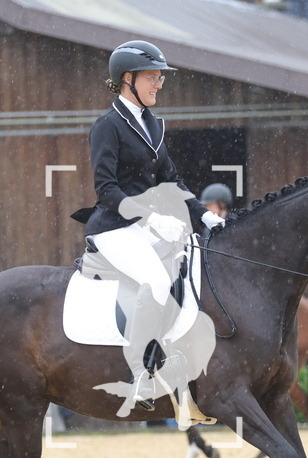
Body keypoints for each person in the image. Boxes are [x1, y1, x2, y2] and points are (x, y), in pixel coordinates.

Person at [74, 40, 225, 415]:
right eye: (152, 78)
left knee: (191, 266)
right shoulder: (108, 126)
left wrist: (203, 215)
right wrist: (150, 216)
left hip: (147, 228)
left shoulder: (154, 125)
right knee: (156, 281)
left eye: (160, 78)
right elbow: (106, 188)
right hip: (114, 228)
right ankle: (141, 373)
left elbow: (172, 181)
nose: (159, 84)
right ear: (128, 80)